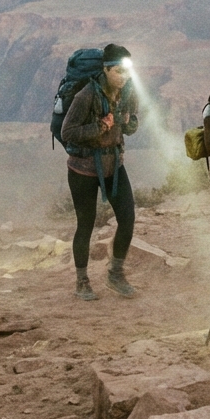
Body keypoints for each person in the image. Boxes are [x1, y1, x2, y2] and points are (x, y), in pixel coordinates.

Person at [61, 44, 140, 301]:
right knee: (85, 225)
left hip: (114, 166)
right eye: (118, 71)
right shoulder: (85, 95)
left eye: (127, 72)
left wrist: (128, 122)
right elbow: (68, 132)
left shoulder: (128, 91)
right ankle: (82, 281)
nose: (124, 77)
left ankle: (115, 274)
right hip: (83, 168)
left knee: (127, 218)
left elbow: (132, 124)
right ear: (105, 70)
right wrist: (100, 127)